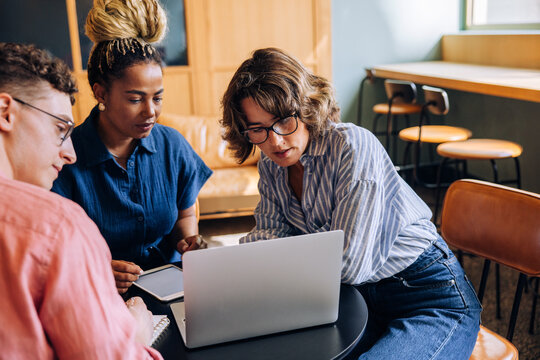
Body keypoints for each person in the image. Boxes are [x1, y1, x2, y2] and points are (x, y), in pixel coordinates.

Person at [220, 48, 482, 359]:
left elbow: (349, 265)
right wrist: (231, 270)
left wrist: (270, 268)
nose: (275, 141)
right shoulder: (271, 166)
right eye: (258, 129)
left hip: (426, 296)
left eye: (282, 121)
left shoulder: (351, 147)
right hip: (354, 301)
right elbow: (269, 234)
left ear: (306, 109)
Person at [0, 42, 162, 359]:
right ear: (6, 112)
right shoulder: (58, 228)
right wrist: (136, 335)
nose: (70, 153)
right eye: (60, 128)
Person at [52, 0, 212, 294]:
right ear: (101, 93)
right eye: (136, 99)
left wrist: (188, 241)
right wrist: (95, 268)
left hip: (174, 287)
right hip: (98, 293)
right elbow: (53, 247)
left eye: (158, 98)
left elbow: (185, 215)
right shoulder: (64, 157)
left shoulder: (171, 145)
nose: (150, 111)